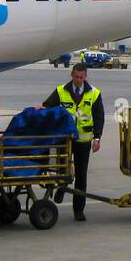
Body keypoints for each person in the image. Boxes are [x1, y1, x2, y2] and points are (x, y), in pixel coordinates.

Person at [42, 62, 104, 221]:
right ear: (72, 75)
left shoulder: (94, 93)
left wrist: (97, 138)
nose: (78, 80)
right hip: (65, 140)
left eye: (81, 77)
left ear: (85, 76)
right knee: (62, 170)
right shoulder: (61, 91)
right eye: (76, 77)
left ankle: (78, 210)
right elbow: (47, 107)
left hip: (83, 140)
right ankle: (62, 187)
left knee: (81, 176)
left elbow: (99, 117)